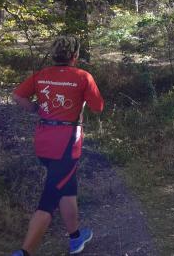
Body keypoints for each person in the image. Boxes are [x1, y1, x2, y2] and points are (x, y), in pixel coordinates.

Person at [11, 36, 104, 256]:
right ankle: (24, 252)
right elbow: (98, 107)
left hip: (43, 143)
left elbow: (17, 96)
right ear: (75, 55)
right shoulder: (83, 76)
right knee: (48, 201)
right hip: (66, 146)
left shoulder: (42, 75)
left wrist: (36, 109)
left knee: (67, 189)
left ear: (54, 54)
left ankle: (75, 238)